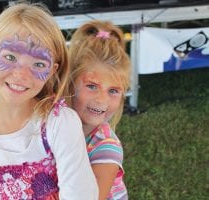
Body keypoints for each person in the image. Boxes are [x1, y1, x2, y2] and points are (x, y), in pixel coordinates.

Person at [0, 3, 98, 200]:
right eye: (10, 56)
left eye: (38, 64)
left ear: (52, 72)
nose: (21, 74)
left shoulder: (60, 124)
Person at [68, 20, 131, 200]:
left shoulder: (106, 148)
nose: (102, 99)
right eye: (92, 86)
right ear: (70, 84)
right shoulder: (55, 123)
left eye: (113, 91)